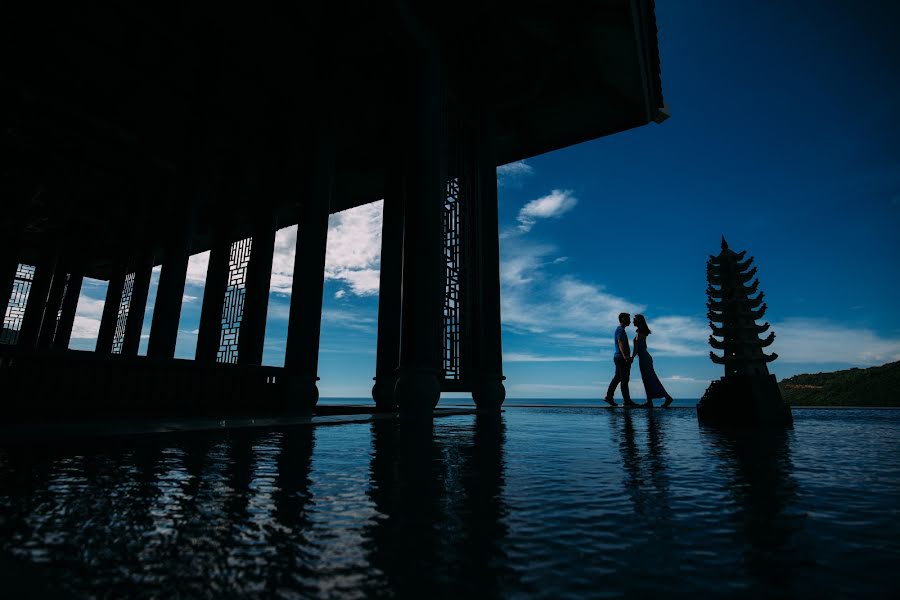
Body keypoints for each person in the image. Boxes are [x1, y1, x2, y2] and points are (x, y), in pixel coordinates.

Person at [631, 314, 674, 408]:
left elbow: (636, 348)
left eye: (634, 320)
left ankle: (666, 397)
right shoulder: (641, 332)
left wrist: (631, 358)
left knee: (650, 379)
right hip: (644, 358)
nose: (633, 321)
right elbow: (644, 346)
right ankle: (650, 401)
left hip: (644, 359)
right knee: (648, 379)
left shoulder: (640, 333)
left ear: (639, 321)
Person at [604, 313, 640, 407]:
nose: (630, 321)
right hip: (621, 358)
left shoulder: (620, 330)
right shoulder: (620, 330)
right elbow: (620, 342)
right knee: (624, 379)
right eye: (628, 319)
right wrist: (626, 357)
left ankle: (609, 396)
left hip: (619, 357)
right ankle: (626, 401)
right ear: (623, 319)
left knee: (618, 378)